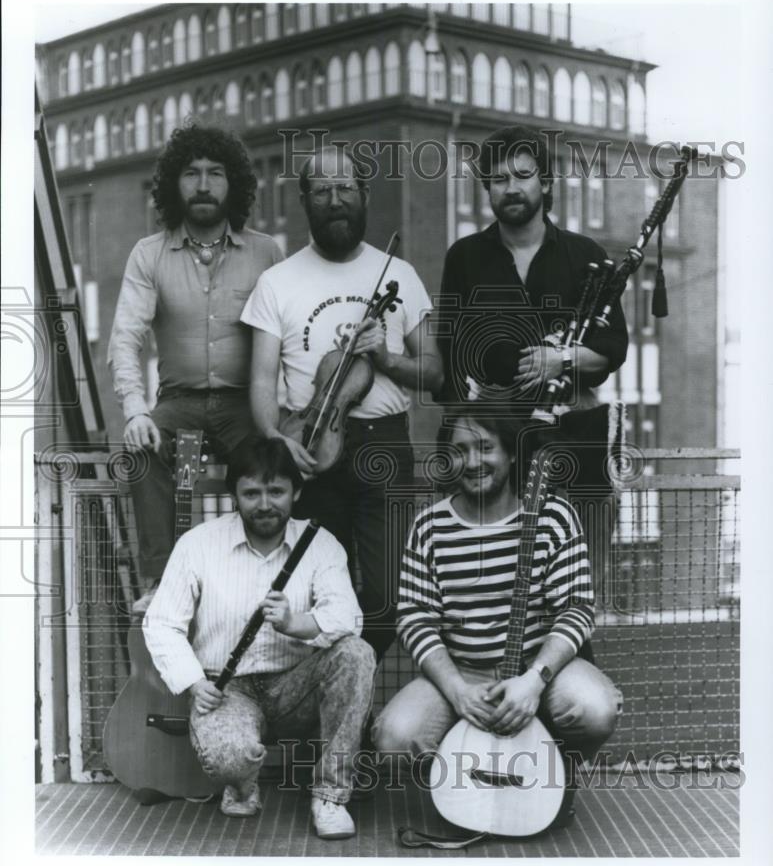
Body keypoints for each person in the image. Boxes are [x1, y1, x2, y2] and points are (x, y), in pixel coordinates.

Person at [372, 407, 623, 825]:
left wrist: (533, 681)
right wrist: (456, 690)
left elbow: (576, 608)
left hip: (538, 671)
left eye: (485, 447)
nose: (472, 461)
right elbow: (414, 617)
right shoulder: (429, 526)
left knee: (594, 709)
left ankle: (552, 774)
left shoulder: (554, 516)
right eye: (460, 450)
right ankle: (464, 782)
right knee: (393, 739)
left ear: (509, 454)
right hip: (463, 673)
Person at [241, 145, 444, 660]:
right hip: (308, 446)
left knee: (388, 597)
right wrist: (277, 438)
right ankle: (333, 714)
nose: (336, 201)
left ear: (365, 195)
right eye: (323, 191)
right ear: (305, 201)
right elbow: (262, 384)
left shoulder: (399, 274)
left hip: (385, 446)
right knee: (312, 593)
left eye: (346, 189)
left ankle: (358, 688)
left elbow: (435, 374)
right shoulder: (277, 282)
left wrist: (389, 358)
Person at [142, 437, 376, 839]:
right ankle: (241, 782)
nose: (264, 503)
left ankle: (331, 797)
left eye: (276, 491)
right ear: (235, 494)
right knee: (229, 758)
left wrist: (296, 622)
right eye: (251, 492)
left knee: (356, 654)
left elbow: (347, 618)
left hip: (296, 684)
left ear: (296, 492)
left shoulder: (320, 544)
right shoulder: (197, 544)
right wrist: (194, 683)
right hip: (227, 689)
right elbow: (161, 623)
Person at [437, 124, 629, 600]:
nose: (511, 187)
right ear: (487, 189)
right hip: (497, 435)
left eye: (523, 175)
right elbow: (449, 352)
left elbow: (613, 349)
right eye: (499, 179)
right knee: (498, 571)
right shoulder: (465, 257)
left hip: (574, 427)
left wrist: (559, 359)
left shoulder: (584, 254)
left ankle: (569, 663)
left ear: (545, 183)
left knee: (578, 570)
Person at [108, 124, 284, 614]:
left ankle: (266, 584)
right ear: (172, 184)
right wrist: (135, 409)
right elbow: (125, 337)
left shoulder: (267, 252)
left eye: (215, 173)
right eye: (191, 173)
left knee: (275, 461)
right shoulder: (149, 254)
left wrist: (284, 414)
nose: (203, 184)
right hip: (177, 404)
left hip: (244, 404)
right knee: (144, 451)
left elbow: (287, 337)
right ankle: (164, 585)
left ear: (236, 185)